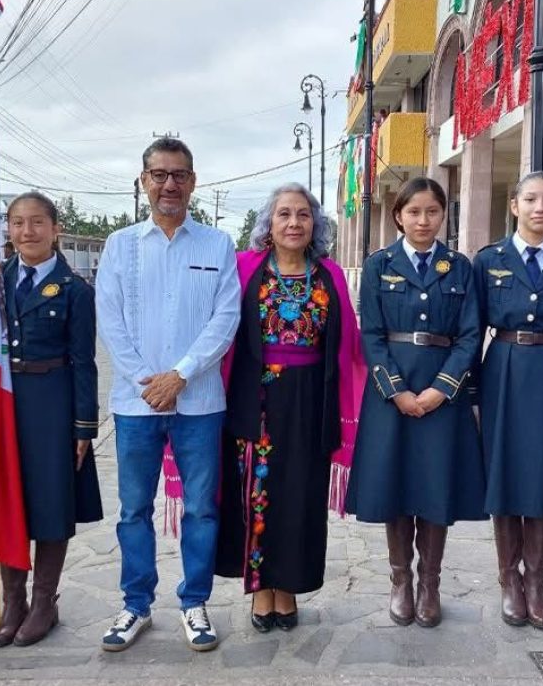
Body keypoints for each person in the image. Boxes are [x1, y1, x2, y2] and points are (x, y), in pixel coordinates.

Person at [95, 138, 240, 653]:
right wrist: (146, 381)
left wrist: (178, 375)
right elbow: (110, 320)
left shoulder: (217, 245)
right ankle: (136, 605)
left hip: (199, 402)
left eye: (179, 174)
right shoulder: (119, 245)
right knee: (134, 508)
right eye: (159, 174)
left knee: (201, 507)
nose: (169, 184)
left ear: (194, 182)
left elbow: (225, 320)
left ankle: (194, 602)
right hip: (135, 407)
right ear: (143, 181)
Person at [215, 183, 363, 632]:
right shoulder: (244, 269)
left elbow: (349, 343)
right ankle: (262, 591)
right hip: (257, 400)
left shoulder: (330, 275)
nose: (294, 223)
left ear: (314, 224)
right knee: (259, 497)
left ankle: (289, 588)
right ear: (269, 223)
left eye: (303, 215)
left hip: (312, 402)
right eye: (284, 214)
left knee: (302, 497)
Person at [0, 191, 102, 647]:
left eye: (37, 222)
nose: (27, 232)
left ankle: (44, 601)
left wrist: (84, 424)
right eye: (18, 223)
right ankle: (14, 599)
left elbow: (84, 360)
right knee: (8, 496)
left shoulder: (75, 290)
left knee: (51, 502)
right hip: (3, 401)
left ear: (55, 228)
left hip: (52, 403)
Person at [346, 177, 487, 629]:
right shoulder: (379, 264)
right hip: (393, 393)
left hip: (442, 394)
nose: (423, 220)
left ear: (443, 216)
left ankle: (430, 582)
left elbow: (469, 335)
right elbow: (370, 334)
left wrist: (441, 389)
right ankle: (400, 580)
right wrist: (398, 391)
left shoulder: (460, 268)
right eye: (414, 212)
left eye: (432, 212)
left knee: (434, 485)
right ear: (398, 216)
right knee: (396, 486)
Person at [472, 171, 543, 631]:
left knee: (540, 478)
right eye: (531, 199)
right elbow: (472, 330)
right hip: (503, 368)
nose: (540, 207)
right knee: (505, 477)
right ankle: (509, 582)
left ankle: (536, 582)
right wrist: (474, 392)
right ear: (515, 205)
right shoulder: (489, 260)